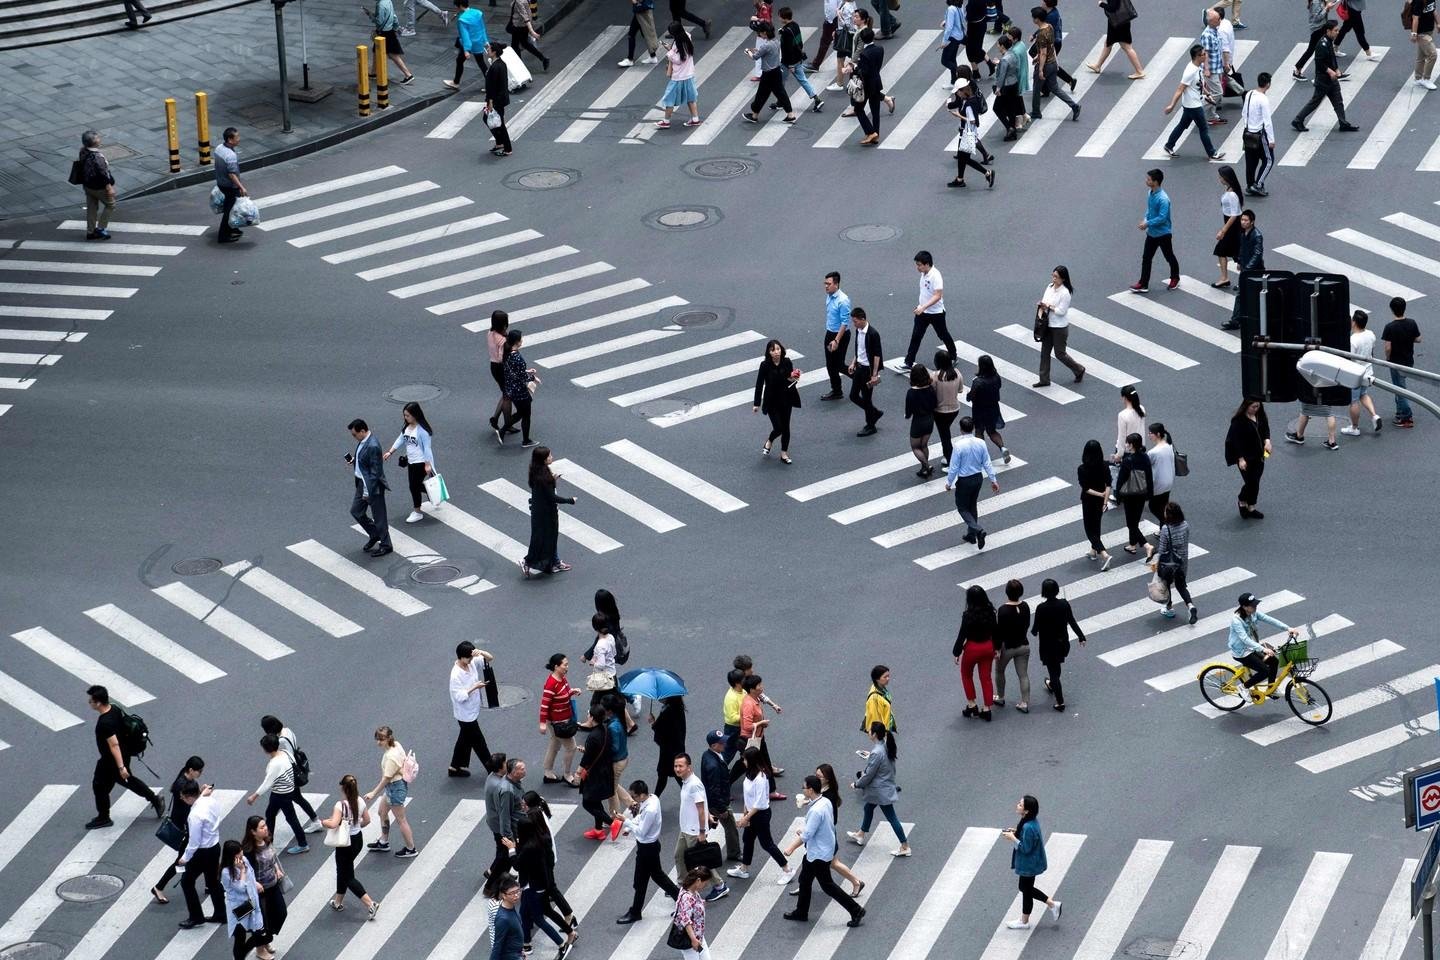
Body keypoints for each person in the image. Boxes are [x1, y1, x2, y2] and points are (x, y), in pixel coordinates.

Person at [782, 775, 866, 926]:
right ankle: (801, 912)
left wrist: (790, 848)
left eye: (804, 787)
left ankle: (856, 910)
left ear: (810, 790)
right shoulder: (824, 801)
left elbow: (807, 835)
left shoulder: (815, 811)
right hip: (822, 849)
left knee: (827, 885)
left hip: (818, 854)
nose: (803, 789)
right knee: (805, 880)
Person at [86, 684, 163, 830]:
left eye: (91, 700)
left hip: (112, 760)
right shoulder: (114, 708)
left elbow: (113, 745)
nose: (89, 703)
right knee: (123, 782)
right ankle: (154, 799)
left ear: (98, 703)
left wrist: (121, 767)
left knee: (100, 785)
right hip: (123, 753)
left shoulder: (104, 723)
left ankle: (104, 817)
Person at [616, 779, 681, 923]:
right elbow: (641, 817)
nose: (632, 799)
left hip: (647, 848)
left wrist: (625, 822)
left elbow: (642, 832)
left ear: (641, 795)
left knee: (650, 879)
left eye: (633, 796)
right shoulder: (652, 798)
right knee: (645, 879)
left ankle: (636, 911)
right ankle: (636, 910)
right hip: (648, 847)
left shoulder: (650, 809)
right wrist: (630, 826)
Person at [728, 746, 795, 881]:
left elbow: (759, 802)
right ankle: (744, 868)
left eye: (745, 760)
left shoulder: (760, 778)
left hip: (760, 815)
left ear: (751, 761)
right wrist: (745, 812)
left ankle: (787, 869)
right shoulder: (749, 774)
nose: (743, 762)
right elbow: (748, 797)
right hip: (752, 813)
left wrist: (745, 818)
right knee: (747, 839)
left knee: (766, 843)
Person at [847, 722, 911, 855]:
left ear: (874, 734)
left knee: (892, 817)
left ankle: (905, 846)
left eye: (870, 730)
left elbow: (869, 774)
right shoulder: (885, 746)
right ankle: (861, 834)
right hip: (884, 786)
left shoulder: (877, 752)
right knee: (868, 808)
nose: (868, 731)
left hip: (880, 791)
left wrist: (857, 784)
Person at [150, 756, 207, 903]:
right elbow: (190, 803)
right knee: (182, 861)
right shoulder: (181, 785)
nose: (200, 773)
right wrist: (202, 795)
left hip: (188, 825)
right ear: (190, 770)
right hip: (184, 827)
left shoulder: (188, 781)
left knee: (203, 854)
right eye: (198, 771)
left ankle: (210, 883)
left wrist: (200, 792)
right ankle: (159, 887)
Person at [320, 775, 378, 918]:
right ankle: (338, 902)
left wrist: (323, 822)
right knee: (343, 870)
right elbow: (367, 820)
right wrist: (355, 826)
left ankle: (370, 904)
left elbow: (333, 824)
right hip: (357, 840)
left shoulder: (340, 805)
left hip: (344, 843)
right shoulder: (360, 801)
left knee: (347, 876)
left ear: (343, 788)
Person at [673, 752, 728, 900]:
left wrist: (702, 831)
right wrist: (710, 816)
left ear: (689, 767)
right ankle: (682, 884)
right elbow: (703, 804)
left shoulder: (694, 784)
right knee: (679, 855)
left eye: (681, 766)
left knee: (701, 861)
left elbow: (700, 809)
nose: (677, 769)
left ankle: (719, 886)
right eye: (676, 766)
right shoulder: (686, 781)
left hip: (694, 831)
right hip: (685, 829)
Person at [1002, 795, 1061, 929]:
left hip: (1029, 864)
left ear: (1027, 811)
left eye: (1021, 805)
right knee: (1025, 888)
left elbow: (1025, 848)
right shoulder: (1029, 822)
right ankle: (1048, 906)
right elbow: (1027, 839)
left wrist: (1013, 838)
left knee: (1026, 889)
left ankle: (1028, 919)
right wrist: (1016, 832)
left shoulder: (1028, 826)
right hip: (1030, 863)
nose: (1018, 805)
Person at [1292, 21, 1361, 133]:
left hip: (1331, 80)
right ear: (1328, 31)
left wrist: (1337, 69)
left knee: (1338, 101)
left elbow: (1332, 58)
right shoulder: (1322, 44)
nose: (1338, 32)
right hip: (1323, 80)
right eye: (1335, 30)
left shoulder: (1329, 42)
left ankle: (1343, 123)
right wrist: (1330, 71)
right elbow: (1319, 62)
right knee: (1315, 102)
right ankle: (1298, 120)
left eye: (1338, 30)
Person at [1227, 592, 1301, 697]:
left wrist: (1288, 628)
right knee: (1264, 671)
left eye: (1255, 604)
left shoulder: (1253, 613)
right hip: (1241, 651)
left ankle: (1271, 689)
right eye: (1252, 605)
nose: (1255, 606)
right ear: (1244, 607)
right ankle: (1243, 687)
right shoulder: (1236, 620)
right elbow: (1245, 639)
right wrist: (1263, 649)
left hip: (1253, 647)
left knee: (1274, 662)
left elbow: (1269, 620)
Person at [244, 734, 308, 854]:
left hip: (280, 794)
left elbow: (267, 783)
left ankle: (302, 843)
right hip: (288, 790)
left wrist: (254, 796)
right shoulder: (285, 753)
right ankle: (269, 842)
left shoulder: (274, 764)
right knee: (271, 814)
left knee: (289, 818)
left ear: (266, 749)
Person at [1160, 45, 1224, 161]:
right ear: (1197, 56)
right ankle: (1212, 153)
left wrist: (1207, 94)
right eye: (1204, 54)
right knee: (1203, 129)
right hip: (1193, 105)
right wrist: (1172, 105)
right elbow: (1180, 89)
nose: (1206, 56)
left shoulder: (1197, 67)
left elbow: (1199, 84)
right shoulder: (1190, 71)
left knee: (1182, 125)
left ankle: (1169, 145)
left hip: (1191, 104)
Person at [945, 416, 1001, 549]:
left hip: (964, 480)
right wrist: (993, 480)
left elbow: (954, 467)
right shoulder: (981, 443)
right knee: (972, 505)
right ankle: (971, 535)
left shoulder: (958, 446)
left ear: (961, 429)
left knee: (962, 507)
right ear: (973, 428)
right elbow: (987, 463)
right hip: (977, 478)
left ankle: (978, 530)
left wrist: (949, 483)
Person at [175, 779, 224, 928]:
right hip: (215, 847)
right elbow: (203, 797)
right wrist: (203, 794)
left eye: (183, 797)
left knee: (187, 882)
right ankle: (221, 913)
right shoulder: (209, 800)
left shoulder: (195, 815)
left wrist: (184, 858)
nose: (182, 800)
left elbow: (194, 842)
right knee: (213, 882)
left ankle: (196, 917)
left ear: (190, 796)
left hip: (202, 853)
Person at [363, 726, 418, 858]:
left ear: (388, 738)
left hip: (395, 787)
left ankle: (411, 848)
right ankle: (383, 841)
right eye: (377, 739)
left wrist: (373, 792)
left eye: (381, 739)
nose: (378, 742)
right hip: (394, 786)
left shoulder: (390, 757)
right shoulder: (397, 745)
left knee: (401, 820)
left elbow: (386, 779)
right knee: (382, 812)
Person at [1031, 579, 1085, 711]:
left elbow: (1034, 630)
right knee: (1057, 666)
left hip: (1047, 645)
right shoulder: (1064, 604)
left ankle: (1060, 701)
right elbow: (1072, 622)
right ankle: (1052, 684)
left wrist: (1037, 631)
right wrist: (1081, 636)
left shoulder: (1041, 608)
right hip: (1062, 643)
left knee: (1053, 671)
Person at [523, 446, 575, 578]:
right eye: (549, 456)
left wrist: (553, 479)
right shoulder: (543, 477)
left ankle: (555, 562)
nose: (552, 457)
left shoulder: (537, 471)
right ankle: (529, 561)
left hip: (540, 510)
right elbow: (552, 497)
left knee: (548, 538)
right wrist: (570, 500)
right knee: (545, 538)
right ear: (544, 460)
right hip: (545, 513)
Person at [381, 401, 435, 524]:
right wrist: (390, 452)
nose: (405, 417)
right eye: (404, 415)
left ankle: (417, 512)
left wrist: (427, 464)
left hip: (421, 462)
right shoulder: (407, 427)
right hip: (411, 461)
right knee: (415, 485)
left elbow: (427, 448)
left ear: (415, 415)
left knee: (413, 486)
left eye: (407, 415)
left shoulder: (423, 431)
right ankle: (433, 493)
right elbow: (400, 439)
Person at [902, 251, 957, 370]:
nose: (917, 267)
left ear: (927, 264)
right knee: (916, 336)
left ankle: (953, 355)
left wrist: (923, 307)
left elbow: (938, 296)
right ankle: (909, 361)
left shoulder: (935, 275)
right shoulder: (924, 274)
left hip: (936, 313)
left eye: (919, 265)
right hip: (923, 312)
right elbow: (925, 293)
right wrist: (920, 306)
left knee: (943, 335)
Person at [220, 840, 273, 960]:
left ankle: (246, 953)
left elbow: (251, 874)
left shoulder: (244, 860)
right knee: (240, 937)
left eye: (240, 850)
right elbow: (240, 888)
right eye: (238, 853)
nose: (241, 854)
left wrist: (255, 883)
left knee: (259, 931)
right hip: (239, 907)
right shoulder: (226, 872)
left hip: (251, 902)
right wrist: (242, 870)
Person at [1145, 501, 1197, 623]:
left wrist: (1157, 565)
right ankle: (1191, 606)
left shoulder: (1166, 528)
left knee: (1166, 584)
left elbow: (1162, 550)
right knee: (1181, 585)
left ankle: (1169, 608)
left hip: (1169, 563)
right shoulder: (1185, 525)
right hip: (1182, 562)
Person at [347, 418, 392, 558]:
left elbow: (375, 473)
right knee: (356, 511)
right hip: (362, 483)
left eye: (354, 434)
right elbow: (364, 460)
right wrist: (356, 461)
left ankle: (386, 545)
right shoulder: (363, 441)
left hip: (372, 487)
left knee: (379, 517)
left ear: (362, 431)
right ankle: (374, 534)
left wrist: (368, 492)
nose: (354, 437)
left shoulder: (372, 445)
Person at [241, 817, 287, 954]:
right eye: (261, 827)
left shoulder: (267, 840)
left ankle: (266, 939)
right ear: (253, 832)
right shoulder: (247, 850)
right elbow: (241, 869)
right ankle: (260, 948)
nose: (265, 828)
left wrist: (277, 869)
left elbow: (272, 858)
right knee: (261, 921)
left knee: (280, 913)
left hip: (273, 885)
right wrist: (254, 882)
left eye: (265, 825)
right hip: (259, 892)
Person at [451, 640, 495, 778]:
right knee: (479, 743)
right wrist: (475, 687)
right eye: (468, 657)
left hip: (472, 710)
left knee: (464, 740)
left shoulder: (471, 663)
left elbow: (489, 658)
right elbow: (459, 696)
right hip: (465, 714)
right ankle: (492, 770)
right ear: (461, 657)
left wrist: (480, 652)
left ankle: (454, 767)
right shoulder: (456, 675)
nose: (471, 660)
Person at [1035, 265, 1084, 386]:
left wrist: (1049, 307)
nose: (1053, 279)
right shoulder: (1049, 287)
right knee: (1044, 353)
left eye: (1056, 277)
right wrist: (1041, 305)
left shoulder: (1065, 293)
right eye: (1053, 276)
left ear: (1063, 279)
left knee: (1060, 354)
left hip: (1059, 328)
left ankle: (1078, 369)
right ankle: (1044, 379)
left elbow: (1062, 311)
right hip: (1048, 325)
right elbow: (1045, 300)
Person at [1131, 169, 1179, 293]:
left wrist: (1147, 223)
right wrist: (1145, 219)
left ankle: (1175, 278)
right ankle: (1143, 283)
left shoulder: (1163, 199)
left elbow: (1162, 218)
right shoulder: (1150, 193)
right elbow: (1150, 210)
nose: (1146, 181)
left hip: (1163, 234)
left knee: (1169, 256)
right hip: (1152, 233)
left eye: (1149, 179)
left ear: (1156, 182)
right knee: (1146, 258)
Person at [954, 585, 997, 720]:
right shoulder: (991, 612)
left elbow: (962, 635)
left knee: (966, 675)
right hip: (988, 647)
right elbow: (996, 631)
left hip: (972, 648)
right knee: (986, 678)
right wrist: (996, 648)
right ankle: (987, 708)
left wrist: (957, 652)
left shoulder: (968, 615)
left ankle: (972, 705)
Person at [753, 339, 800, 464]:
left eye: (778, 349)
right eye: (773, 350)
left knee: (786, 427)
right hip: (771, 401)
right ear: (769, 352)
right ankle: (769, 440)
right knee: (778, 427)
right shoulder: (765, 365)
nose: (776, 352)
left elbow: (791, 380)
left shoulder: (787, 362)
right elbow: (759, 384)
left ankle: (784, 453)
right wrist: (756, 403)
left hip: (786, 399)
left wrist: (794, 378)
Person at [1030, 7, 1080, 121]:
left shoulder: (1042, 34)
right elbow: (1050, 46)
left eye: (1033, 17)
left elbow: (1043, 53)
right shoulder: (1049, 27)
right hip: (1052, 63)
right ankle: (1074, 105)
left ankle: (1036, 112)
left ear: (1037, 19)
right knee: (1055, 88)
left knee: (1037, 88)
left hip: (1046, 65)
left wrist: (1041, 69)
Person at [1224, 397, 1271, 518]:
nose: (1256, 409)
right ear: (1246, 406)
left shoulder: (1260, 415)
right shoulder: (1239, 421)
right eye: (1253, 407)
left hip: (1260, 455)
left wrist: (1267, 441)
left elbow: (1265, 428)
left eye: (1258, 406)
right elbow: (1234, 441)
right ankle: (1242, 500)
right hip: (1246, 458)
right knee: (1251, 481)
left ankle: (1251, 506)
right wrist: (1240, 458)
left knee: (1256, 481)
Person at [744, 21, 799, 123]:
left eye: (760, 33)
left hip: (768, 74)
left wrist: (748, 52)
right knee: (781, 93)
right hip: (776, 71)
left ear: (765, 33)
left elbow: (755, 57)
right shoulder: (776, 42)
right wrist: (759, 50)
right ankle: (790, 115)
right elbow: (768, 53)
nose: (759, 34)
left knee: (761, 94)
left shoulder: (766, 46)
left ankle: (754, 115)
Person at [947, 77, 995, 188]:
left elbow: (973, 121)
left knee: (965, 158)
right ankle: (960, 179)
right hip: (966, 132)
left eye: (958, 92)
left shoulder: (969, 104)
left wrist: (957, 115)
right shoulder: (971, 99)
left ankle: (987, 173)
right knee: (962, 157)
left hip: (968, 134)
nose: (957, 94)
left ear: (963, 90)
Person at [540, 653, 579, 785]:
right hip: (559, 722)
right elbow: (545, 704)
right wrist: (542, 723)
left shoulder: (562, 678)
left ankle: (548, 772)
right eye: (565, 665)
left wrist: (572, 691)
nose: (567, 667)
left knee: (554, 744)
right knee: (571, 747)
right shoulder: (551, 683)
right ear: (556, 666)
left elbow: (564, 694)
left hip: (563, 719)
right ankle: (567, 774)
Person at [1221, 210, 1265, 330]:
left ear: (1252, 222)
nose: (1243, 222)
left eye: (1246, 220)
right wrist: (1240, 261)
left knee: (1256, 296)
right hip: (1246, 270)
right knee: (1240, 295)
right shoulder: (1243, 233)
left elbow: (1257, 254)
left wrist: (1248, 268)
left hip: (1255, 272)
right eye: (1242, 220)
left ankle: (1259, 320)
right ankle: (1236, 320)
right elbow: (1242, 249)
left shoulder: (1257, 235)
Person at [993, 579, 1032, 712]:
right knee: (1023, 675)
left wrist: (997, 649)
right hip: (1023, 645)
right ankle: (1025, 703)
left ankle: (1000, 697)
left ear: (1007, 592)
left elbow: (999, 632)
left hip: (1007, 647)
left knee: (999, 671)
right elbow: (1027, 624)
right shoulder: (1025, 606)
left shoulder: (1003, 610)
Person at [578, 706, 616, 839]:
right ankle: (598, 830)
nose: (588, 717)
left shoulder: (593, 736)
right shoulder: (605, 729)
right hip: (605, 770)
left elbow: (587, 758)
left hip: (595, 774)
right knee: (596, 801)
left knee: (587, 802)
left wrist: (580, 770)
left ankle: (612, 823)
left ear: (592, 718)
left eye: (589, 715)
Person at [1382, 296, 1421, 427]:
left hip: (1395, 362)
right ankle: (1399, 413)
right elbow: (1418, 339)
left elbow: (1388, 347)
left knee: (1400, 389)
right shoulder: (1412, 323)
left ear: (1392, 310)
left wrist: (1387, 358)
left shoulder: (1390, 327)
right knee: (1399, 386)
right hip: (1408, 360)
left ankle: (1406, 417)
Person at [778, 8, 825, 111]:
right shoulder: (795, 25)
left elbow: (788, 49)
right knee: (803, 80)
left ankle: (781, 101)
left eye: (780, 16)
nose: (779, 18)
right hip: (797, 58)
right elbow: (799, 41)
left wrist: (790, 65)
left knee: (780, 81)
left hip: (788, 62)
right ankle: (817, 99)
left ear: (784, 18)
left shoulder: (786, 32)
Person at [1344, 310, 1383, 436]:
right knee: (1363, 394)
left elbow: (1349, 359)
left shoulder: (1353, 340)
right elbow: (1372, 351)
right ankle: (1374, 415)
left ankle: (1354, 428)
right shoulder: (1371, 334)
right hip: (1368, 371)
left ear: (1354, 322)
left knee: (1354, 401)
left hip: (1355, 374)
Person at [847, 306, 884, 435]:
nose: (854, 324)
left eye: (855, 321)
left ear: (863, 319)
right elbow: (859, 349)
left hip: (868, 371)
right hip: (859, 367)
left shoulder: (873, 334)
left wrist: (874, 374)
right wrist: (853, 363)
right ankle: (874, 412)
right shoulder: (858, 330)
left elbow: (877, 355)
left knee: (867, 398)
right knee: (853, 396)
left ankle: (870, 425)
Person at [658, 21, 703, 128]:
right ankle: (695, 119)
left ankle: (666, 121)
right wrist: (671, 48)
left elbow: (679, 60)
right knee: (691, 98)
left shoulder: (680, 44)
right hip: (689, 75)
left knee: (669, 98)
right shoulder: (687, 37)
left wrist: (669, 52)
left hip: (678, 77)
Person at [486, 757, 527, 873]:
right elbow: (505, 816)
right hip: (513, 830)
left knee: (504, 855)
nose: (525, 770)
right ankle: (493, 880)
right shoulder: (507, 790)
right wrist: (510, 839)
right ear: (513, 772)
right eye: (522, 769)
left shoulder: (513, 783)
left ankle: (494, 874)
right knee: (507, 856)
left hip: (515, 827)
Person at [1114, 432, 1153, 553]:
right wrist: (1149, 493)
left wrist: (1118, 496)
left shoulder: (1127, 460)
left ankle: (1146, 545)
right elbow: (1149, 476)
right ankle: (1132, 545)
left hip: (1130, 495)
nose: (1126, 445)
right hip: (1142, 493)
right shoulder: (1145, 457)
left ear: (1131, 445)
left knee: (1131, 524)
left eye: (1127, 443)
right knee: (1135, 520)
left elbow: (1121, 480)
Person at [1077, 439, 1113, 570]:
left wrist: (1100, 494)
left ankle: (1104, 554)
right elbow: (1108, 484)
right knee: (1096, 525)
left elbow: (1086, 488)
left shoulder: (1082, 469)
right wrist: (1104, 499)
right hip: (1099, 502)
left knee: (1089, 530)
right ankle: (1093, 551)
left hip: (1088, 501)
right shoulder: (1104, 466)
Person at [967, 357, 1010, 462]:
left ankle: (981, 456)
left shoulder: (978, 382)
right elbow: (998, 386)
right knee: (992, 431)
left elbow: (971, 396)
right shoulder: (996, 377)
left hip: (979, 410)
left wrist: (969, 395)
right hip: (993, 408)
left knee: (979, 431)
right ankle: (1002, 448)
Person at [1087, 0, 1144, 78]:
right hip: (1120, 21)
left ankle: (1139, 71)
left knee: (1127, 47)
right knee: (1108, 44)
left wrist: (1101, 4)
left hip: (1118, 23)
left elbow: (1112, 8)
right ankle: (1098, 66)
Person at [500, 329, 537, 445]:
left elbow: (513, 371)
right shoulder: (517, 358)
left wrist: (526, 371)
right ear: (517, 341)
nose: (522, 340)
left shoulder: (507, 354)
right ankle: (526, 440)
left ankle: (502, 430)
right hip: (520, 391)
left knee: (521, 413)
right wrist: (533, 378)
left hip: (511, 388)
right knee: (526, 415)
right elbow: (522, 376)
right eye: (521, 338)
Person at [1240, 75, 1275, 196]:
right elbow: (1267, 122)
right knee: (1269, 160)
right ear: (1268, 84)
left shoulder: (1249, 94)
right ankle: (1258, 185)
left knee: (1251, 161)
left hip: (1247, 133)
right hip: (1259, 135)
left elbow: (1244, 113)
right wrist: (1271, 140)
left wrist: (1248, 126)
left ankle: (1249, 185)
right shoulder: (1263, 99)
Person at [77, 131, 115, 241]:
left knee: (92, 208)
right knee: (111, 205)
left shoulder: (82, 151)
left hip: (87, 185)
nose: (99, 138)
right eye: (97, 138)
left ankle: (90, 231)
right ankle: (101, 228)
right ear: (94, 142)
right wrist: (109, 188)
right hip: (99, 187)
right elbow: (103, 174)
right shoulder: (98, 157)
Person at [820, 272, 852, 399]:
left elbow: (845, 323)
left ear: (836, 284)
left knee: (839, 364)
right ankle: (837, 390)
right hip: (830, 333)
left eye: (828, 284)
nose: (826, 286)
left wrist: (836, 341)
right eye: (825, 284)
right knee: (830, 364)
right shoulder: (829, 296)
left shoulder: (843, 300)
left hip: (841, 336)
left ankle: (861, 379)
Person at [213, 127, 248, 244]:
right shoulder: (230, 156)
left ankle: (234, 228)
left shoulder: (219, 148)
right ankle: (223, 236)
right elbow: (232, 174)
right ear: (230, 139)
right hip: (229, 186)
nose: (239, 139)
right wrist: (241, 187)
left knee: (232, 208)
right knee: (229, 211)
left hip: (221, 183)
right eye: (237, 137)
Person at [851, 27, 885, 144]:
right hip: (877, 82)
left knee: (858, 109)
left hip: (867, 86)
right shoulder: (880, 49)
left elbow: (863, 72)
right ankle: (876, 135)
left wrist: (855, 68)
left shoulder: (864, 54)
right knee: (875, 111)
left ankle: (871, 132)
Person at [369, 0, 416, 84]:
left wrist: (371, 17)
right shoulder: (388, 1)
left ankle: (408, 75)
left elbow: (379, 21)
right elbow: (394, 16)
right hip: (389, 31)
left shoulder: (380, 4)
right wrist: (396, 27)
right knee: (376, 51)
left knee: (393, 55)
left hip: (384, 33)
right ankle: (373, 73)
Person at [445, 0, 489, 89]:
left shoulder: (462, 20)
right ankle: (490, 84)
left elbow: (465, 35)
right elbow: (482, 28)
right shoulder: (477, 13)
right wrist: (485, 40)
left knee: (460, 61)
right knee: (481, 63)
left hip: (468, 44)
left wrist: (467, 50)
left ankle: (456, 82)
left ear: (460, 5)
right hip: (478, 42)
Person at [904, 365, 938, 478]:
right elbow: (935, 404)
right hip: (929, 420)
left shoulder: (911, 392)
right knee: (924, 445)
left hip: (918, 422)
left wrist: (907, 415)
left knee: (915, 447)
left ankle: (927, 465)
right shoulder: (930, 388)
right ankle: (924, 469)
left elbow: (908, 412)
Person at [1212, 166, 1243, 287]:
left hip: (1232, 226)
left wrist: (1223, 231)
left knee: (1232, 253)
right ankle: (1225, 278)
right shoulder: (1229, 189)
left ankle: (1234, 279)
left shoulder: (1232, 194)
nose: (1219, 179)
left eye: (1221, 177)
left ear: (1227, 178)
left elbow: (1235, 215)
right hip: (1231, 224)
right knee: (1228, 252)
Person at [674, 867, 716, 957]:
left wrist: (700, 904)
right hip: (689, 939)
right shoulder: (687, 897)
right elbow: (686, 920)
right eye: (705, 883)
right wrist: (693, 939)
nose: (705, 886)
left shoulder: (693, 891)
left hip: (699, 935)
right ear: (698, 880)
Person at [651, 695, 686, 797]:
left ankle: (654, 799)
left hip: (668, 751)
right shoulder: (678, 707)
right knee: (674, 774)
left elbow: (662, 731)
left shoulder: (667, 712)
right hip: (676, 748)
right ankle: (655, 798)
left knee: (665, 774)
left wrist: (653, 723)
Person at [932, 350, 963, 466]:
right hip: (954, 409)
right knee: (945, 431)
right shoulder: (957, 373)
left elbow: (932, 392)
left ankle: (950, 459)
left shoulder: (935, 376)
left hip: (939, 411)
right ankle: (947, 456)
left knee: (944, 436)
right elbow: (960, 390)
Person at [485, 41, 515, 157]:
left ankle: (507, 148)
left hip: (496, 99)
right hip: (500, 98)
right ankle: (499, 142)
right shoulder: (500, 64)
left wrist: (490, 101)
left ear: (494, 52)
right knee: (490, 119)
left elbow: (492, 86)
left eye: (489, 49)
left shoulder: (495, 67)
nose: (487, 51)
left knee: (500, 123)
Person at [1145, 422, 1176, 523]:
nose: (1148, 435)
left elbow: (1146, 466)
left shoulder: (1153, 452)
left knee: (1153, 506)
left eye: (1150, 433)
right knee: (1163, 506)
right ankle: (1164, 527)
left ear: (1158, 434)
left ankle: (1166, 525)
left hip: (1158, 484)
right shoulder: (1169, 446)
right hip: (1169, 481)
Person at [491, 876, 524, 960]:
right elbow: (497, 945)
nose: (516, 895)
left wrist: (521, 952)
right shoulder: (503, 919)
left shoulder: (512, 907)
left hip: (517, 954)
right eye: (512, 893)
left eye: (518, 891)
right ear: (504, 895)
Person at [507, 0, 548, 69]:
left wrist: (532, 32)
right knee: (525, 44)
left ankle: (520, 67)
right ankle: (543, 59)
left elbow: (526, 17)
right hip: (522, 27)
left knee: (515, 46)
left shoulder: (519, 2)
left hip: (519, 27)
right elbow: (528, 14)